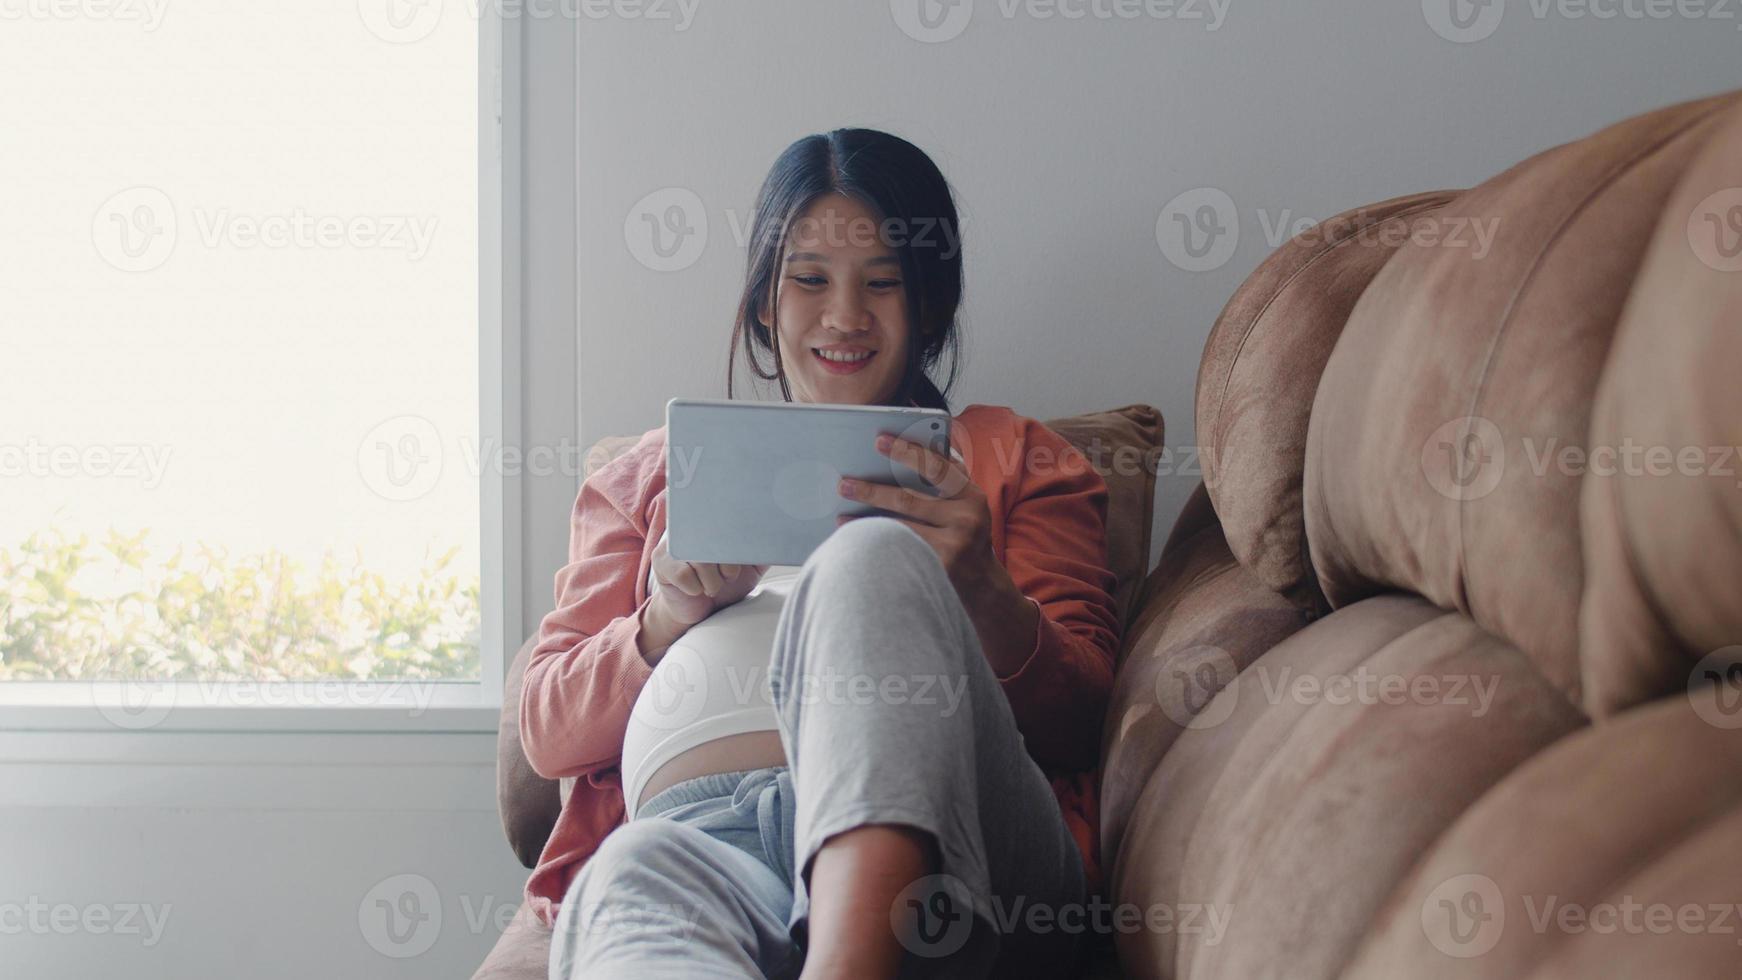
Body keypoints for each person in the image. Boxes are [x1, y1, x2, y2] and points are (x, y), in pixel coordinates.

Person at [519, 127, 1122, 979]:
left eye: (883, 283)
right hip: (698, 839)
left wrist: (981, 591)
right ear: (765, 300)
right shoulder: (647, 478)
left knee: (866, 560)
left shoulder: (1022, 459)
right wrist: (664, 621)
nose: (844, 316)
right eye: (809, 280)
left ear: (930, 306)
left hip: (953, 848)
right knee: (628, 870)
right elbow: (545, 729)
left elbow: (1087, 723)